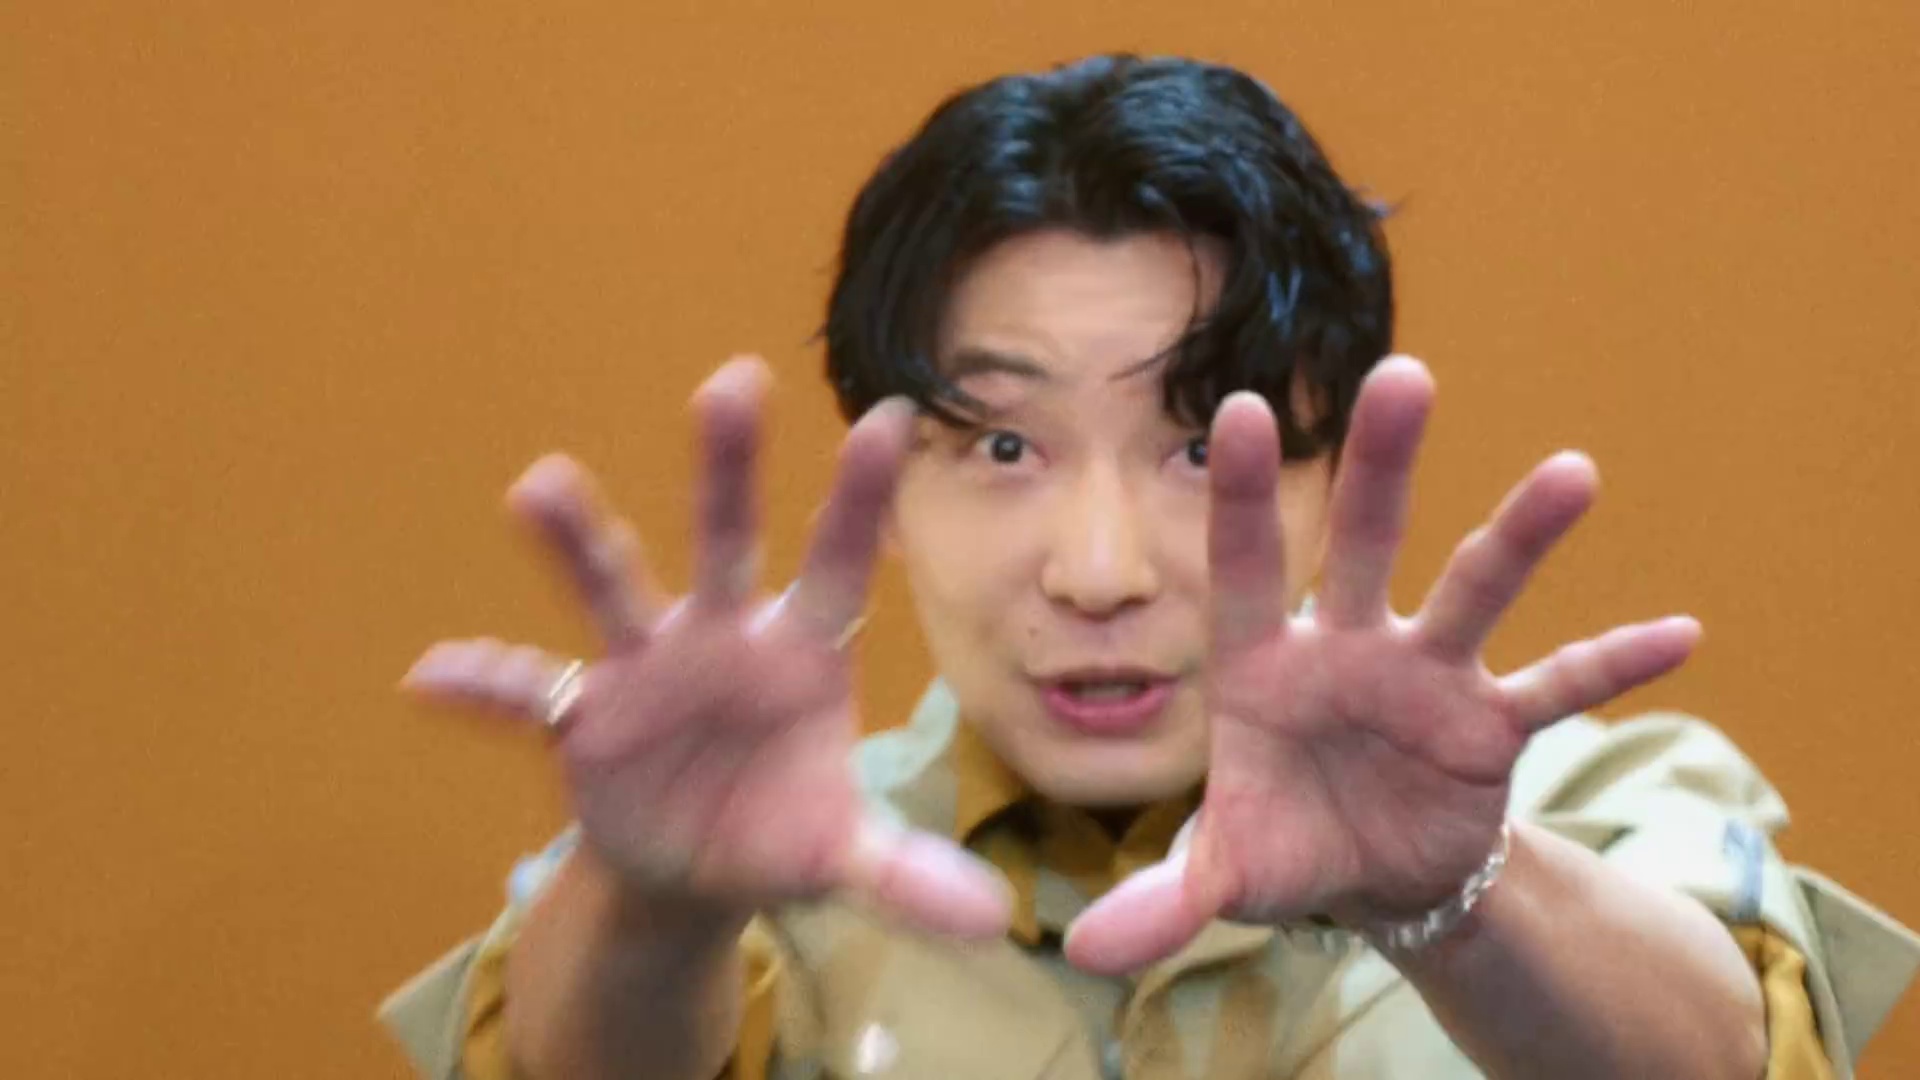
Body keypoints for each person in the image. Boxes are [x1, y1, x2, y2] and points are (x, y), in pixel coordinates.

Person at [378, 54, 1917, 1080]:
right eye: (1003, 445)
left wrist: (1458, 900)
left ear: (1332, 470)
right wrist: (654, 906)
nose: (1100, 571)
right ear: (884, 479)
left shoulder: (1582, 805)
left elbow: (1740, 1057)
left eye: (1199, 447)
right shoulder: (762, 857)